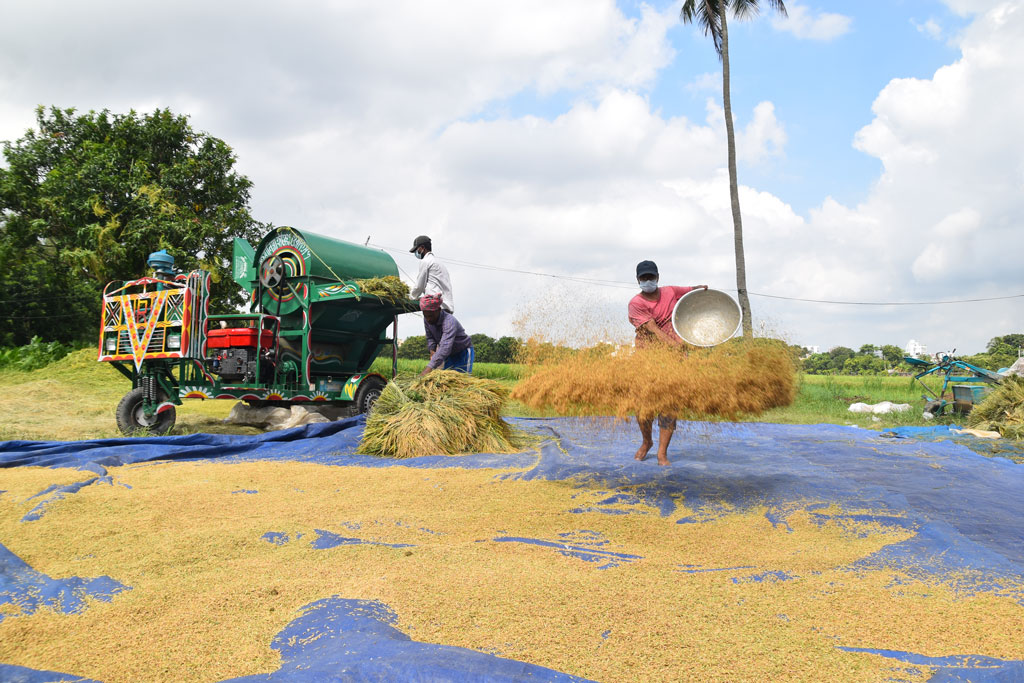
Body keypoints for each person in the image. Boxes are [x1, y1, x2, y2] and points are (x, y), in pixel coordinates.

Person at [627, 259, 708, 466]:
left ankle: (662, 453)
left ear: (657, 278)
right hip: (648, 359)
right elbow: (653, 329)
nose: (647, 280)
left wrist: (700, 289)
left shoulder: (671, 291)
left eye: (650, 277)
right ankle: (647, 442)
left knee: (670, 406)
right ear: (638, 280)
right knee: (643, 407)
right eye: (643, 278)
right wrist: (674, 345)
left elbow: (689, 291)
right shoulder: (636, 303)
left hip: (675, 361)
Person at [419, 294, 474, 375]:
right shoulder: (427, 319)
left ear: (439, 310)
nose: (428, 319)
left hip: (463, 352)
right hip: (450, 354)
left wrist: (427, 370)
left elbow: (445, 347)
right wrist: (432, 351)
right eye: (425, 316)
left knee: (462, 380)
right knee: (448, 380)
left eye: (431, 316)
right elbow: (430, 337)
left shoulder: (449, 321)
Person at [409, 235, 454, 313]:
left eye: (417, 250)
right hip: (447, 308)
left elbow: (419, 286)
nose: (416, 253)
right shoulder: (440, 264)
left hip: (435, 307)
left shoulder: (426, 261)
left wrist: (410, 296)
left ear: (422, 247)